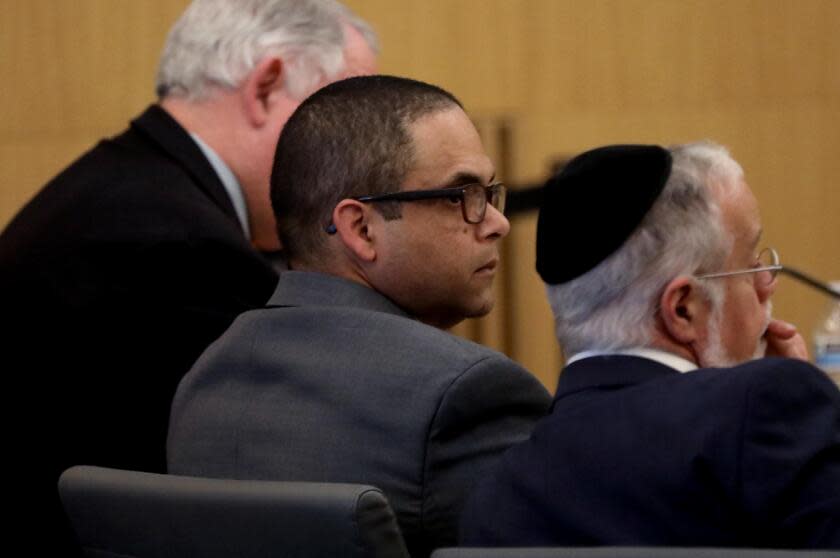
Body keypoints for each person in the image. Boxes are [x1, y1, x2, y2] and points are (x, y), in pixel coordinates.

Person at [0, 0, 376, 553]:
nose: (359, 167)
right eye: (347, 124)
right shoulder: (178, 246)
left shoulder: (128, 187)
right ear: (268, 86)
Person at [167, 75, 552, 558]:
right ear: (361, 228)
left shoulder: (206, 376)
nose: (496, 223)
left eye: (489, 193)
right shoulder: (467, 395)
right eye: (461, 197)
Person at [460, 143, 840, 549]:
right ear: (683, 308)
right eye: (753, 266)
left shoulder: (498, 494)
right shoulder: (769, 408)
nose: (768, 285)